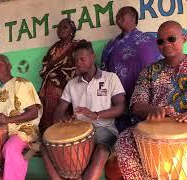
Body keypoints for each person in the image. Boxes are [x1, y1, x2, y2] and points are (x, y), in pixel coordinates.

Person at [42, 40, 126, 179]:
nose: (78, 63)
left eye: (82, 59)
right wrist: (61, 120)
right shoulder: (72, 84)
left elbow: (120, 107)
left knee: (101, 151)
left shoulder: (110, 78)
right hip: (78, 131)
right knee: (46, 147)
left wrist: (95, 114)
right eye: (75, 60)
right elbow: (59, 109)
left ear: (93, 57)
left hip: (104, 129)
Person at [115, 20, 187, 179]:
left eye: (171, 39)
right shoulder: (149, 71)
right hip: (154, 129)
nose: (166, 44)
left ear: (184, 38)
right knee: (124, 141)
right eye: (160, 41)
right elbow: (137, 104)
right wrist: (151, 110)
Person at [101, 6, 162, 132]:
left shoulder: (149, 41)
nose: (118, 17)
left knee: (145, 133)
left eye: (121, 14)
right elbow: (104, 70)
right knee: (121, 133)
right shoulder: (111, 45)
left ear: (133, 17)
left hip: (144, 95)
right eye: (117, 15)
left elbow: (159, 68)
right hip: (118, 96)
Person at [39, 18, 77, 134]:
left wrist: (56, 74)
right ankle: (49, 138)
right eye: (59, 27)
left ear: (72, 31)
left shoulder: (76, 46)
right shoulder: (54, 48)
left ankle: (62, 140)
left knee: (63, 115)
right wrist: (48, 72)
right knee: (47, 114)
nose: (60, 29)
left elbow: (77, 67)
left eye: (65, 27)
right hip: (49, 87)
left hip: (65, 87)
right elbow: (46, 63)